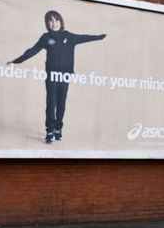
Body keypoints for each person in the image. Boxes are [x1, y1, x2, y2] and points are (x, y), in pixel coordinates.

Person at [8, 10, 106, 143]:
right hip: (52, 77)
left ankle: (58, 128)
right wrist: (16, 61)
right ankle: (50, 130)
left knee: (61, 104)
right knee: (51, 103)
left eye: (56, 20)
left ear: (61, 21)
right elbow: (32, 51)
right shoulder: (46, 37)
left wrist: (100, 37)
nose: (54, 23)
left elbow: (85, 37)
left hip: (65, 77)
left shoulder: (70, 37)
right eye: (50, 21)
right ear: (47, 23)